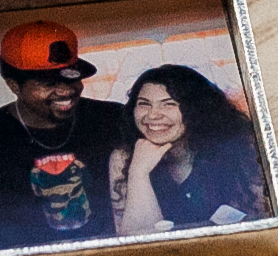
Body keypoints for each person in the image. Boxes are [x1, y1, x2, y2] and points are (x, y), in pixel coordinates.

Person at [0, 20, 129, 249]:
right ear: (13, 85)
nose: (66, 91)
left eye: (71, 77)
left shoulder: (114, 118)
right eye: (49, 83)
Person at [108, 65, 268, 235]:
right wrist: (139, 172)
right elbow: (135, 243)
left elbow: (257, 227)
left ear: (196, 109)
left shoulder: (239, 145)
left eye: (168, 104)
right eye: (144, 104)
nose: (153, 115)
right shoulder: (124, 157)